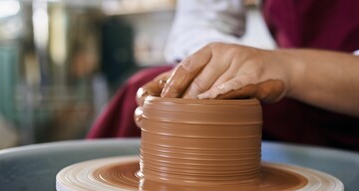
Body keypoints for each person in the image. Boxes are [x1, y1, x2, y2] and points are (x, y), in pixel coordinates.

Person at [88, 0, 359, 152]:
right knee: (149, 97)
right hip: (301, 104)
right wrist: (213, 73)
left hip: (342, 98)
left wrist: (285, 67)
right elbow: (202, 21)